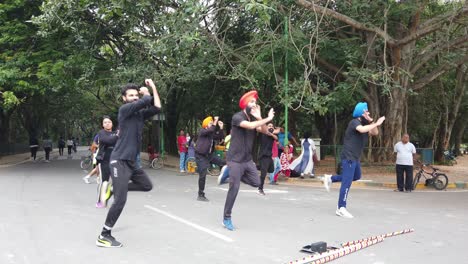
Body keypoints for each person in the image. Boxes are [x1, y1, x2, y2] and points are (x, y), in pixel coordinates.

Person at [96, 79, 161, 248]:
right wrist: (145, 93)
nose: (134, 98)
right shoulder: (124, 110)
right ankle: (104, 235)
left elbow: (157, 107)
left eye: (135, 95)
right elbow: (146, 101)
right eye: (130, 95)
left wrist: (153, 88)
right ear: (124, 98)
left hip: (131, 162)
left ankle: (111, 189)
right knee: (120, 200)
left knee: (146, 186)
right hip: (119, 160)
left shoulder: (139, 114)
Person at [220, 90, 274, 231]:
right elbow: (249, 127)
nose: (254, 104)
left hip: (247, 160)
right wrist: (267, 119)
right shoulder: (237, 117)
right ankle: (226, 218)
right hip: (235, 160)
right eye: (251, 102)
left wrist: (260, 117)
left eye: (255, 102)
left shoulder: (254, 119)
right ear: (245, 104)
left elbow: (263, 130)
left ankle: (228, 173)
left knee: (257, 182)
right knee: (235, 187)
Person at [323, 102, 385, 219]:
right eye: (366, 111)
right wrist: (376, 122)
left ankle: (330, 178)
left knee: (356, 176)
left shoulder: (366, 124)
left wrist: (372, 122)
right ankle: (341, 208)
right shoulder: (354, 123)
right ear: (361, 112)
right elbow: (361, 130)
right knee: (347, 182)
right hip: (348, 157)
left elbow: (375, 132)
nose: (369, 112)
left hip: (355, 158)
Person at [195, 116, 226, 201]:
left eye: (212, 123)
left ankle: (226, 174)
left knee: (223, 162)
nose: (212, 124)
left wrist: (221, 128)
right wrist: (215, 121)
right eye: (210, 123)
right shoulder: (202, 131)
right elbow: (211, 130)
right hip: (200, 156)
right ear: (205, 125)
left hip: (209, 155)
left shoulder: (211, 134)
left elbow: (219, 136)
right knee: (203, 174)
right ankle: (200, 194)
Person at [95, 116, 118, 208]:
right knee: (104, 181)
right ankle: (100, 201)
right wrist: (117, 136)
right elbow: (107, 140)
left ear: (112, 123)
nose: (107, 123)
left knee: (116, 182)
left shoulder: (116, 132)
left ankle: (110, 199)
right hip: (104, 160)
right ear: (102, 125)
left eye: (109, 122)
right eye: (105, 122)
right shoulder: (101, 133)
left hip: (116, 160)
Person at [257, 122, 280, 195]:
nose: (270, 127)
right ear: (266, 127)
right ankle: (260, 189)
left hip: (269, 156)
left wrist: (272, 133)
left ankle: (252, 166)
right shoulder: (263, 132)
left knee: (271, 170)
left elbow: (276, 138)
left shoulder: (272, 135)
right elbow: (258, 128)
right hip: (263, 155)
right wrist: (266, 130)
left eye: (272, 126)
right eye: (269, 126)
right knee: (263, 173)